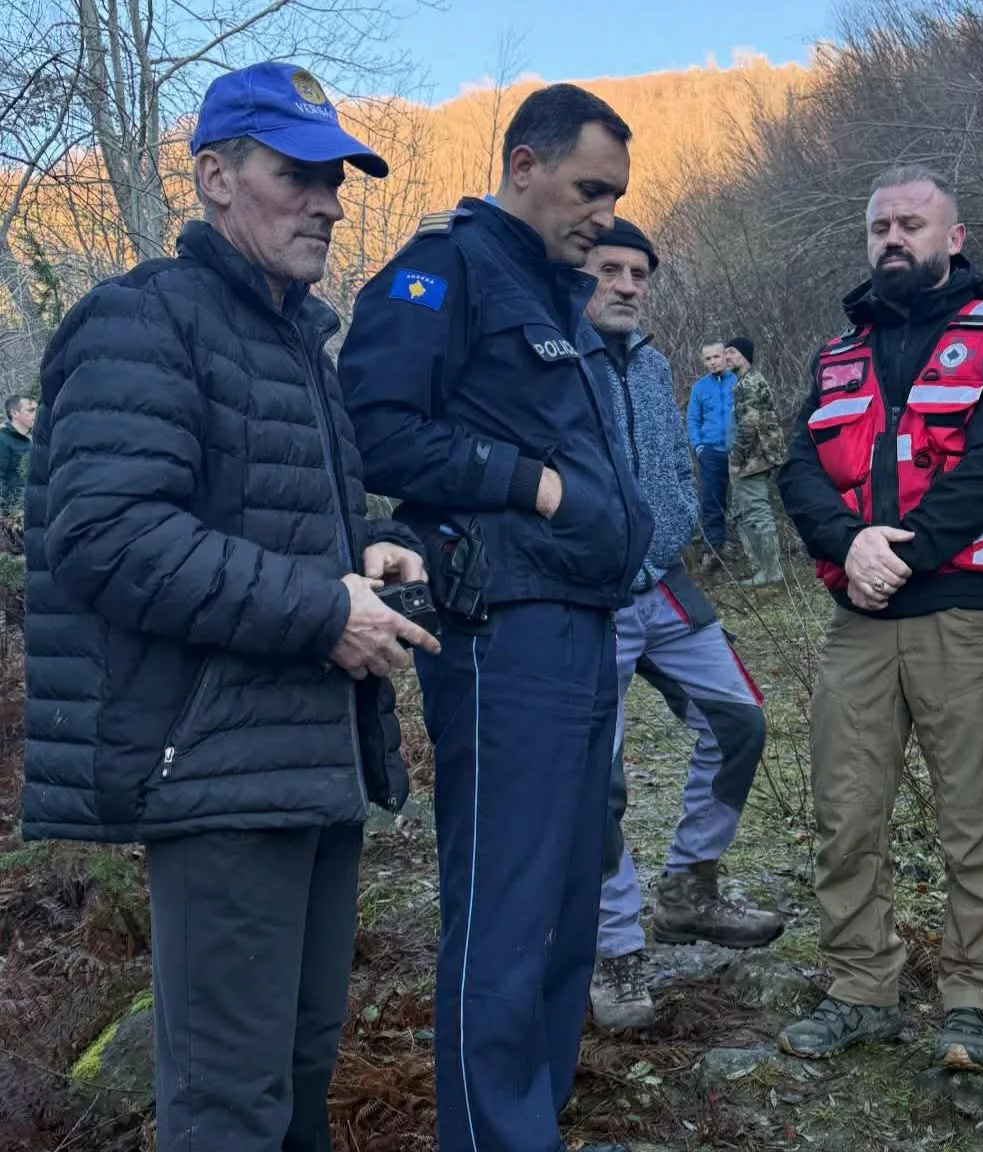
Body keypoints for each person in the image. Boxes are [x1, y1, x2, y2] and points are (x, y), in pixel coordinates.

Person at [21, 62, 439, 1152]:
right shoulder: (141, 320)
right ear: (212, 176)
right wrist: (319, 608)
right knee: (227, 1105)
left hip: (312, 764)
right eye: (298, 174)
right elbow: (104, 535)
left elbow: (261, 522)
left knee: (294, 1079)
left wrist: (365, 552)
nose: (330, 202)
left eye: (336, 179)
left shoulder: (297, 341)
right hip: (212, 773)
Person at [338, 84, 651, 1152]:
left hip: (580, 619)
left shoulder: (556, 291)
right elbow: (373, 431)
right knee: (507, 906)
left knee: (570, 891)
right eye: (588, 189)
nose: (603, 214)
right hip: (502, 626)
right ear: (525, 164)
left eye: (615, 196)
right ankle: (493, 1136)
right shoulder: (448, 270)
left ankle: (534, 1116)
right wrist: (531, 483)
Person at [776, 166, 983, 1067]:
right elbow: (798, 468)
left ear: (953, 238)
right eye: (880, 227)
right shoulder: (835, 353)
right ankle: (861, 988)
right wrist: (850, 544)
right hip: (859, 616)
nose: (894, 238)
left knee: (973, 817)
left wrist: (904, 551)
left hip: (963, 612)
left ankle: (975, 999)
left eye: (912, 224)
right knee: (846, 811)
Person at [579, 219, 782, 1032]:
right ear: (576, 271)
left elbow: (668, 473)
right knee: (598, 778)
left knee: (741, 722)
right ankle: (617, 948)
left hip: (660, 583)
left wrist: (661, 543)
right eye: (611, 270)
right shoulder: (551, 359)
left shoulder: (657, 363)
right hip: (585, 600)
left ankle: (690, 889)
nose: (629, 285)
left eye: (640, 273)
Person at [726, 337, 786, 587]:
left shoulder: (748, 384)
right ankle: (761, 569)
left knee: (758, 514)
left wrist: (737, 458)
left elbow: (749, 424)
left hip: (754, 460)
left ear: (744, 355)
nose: (727, 357)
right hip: (756, 458)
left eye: (731, 352)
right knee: (745, 512)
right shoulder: (745, 382)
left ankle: (770, 572)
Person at [686, 342, 736, 575]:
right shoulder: (699, 388)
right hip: (711, 452)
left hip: (739, 451)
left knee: (745, 500)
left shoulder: (738, 380)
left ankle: (752, 553)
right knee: (711, 501)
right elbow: (693, 420)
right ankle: (714, 550)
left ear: (726, 356)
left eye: (717, 356)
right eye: (708, 359)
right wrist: (699, 446)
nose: (713, 361)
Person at [0, 395, 36, 509]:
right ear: (15, 413)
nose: (35, 414)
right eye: (30, 410)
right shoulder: (3, 439)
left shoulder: (34, 439)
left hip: (33, 506)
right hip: (13, 511)